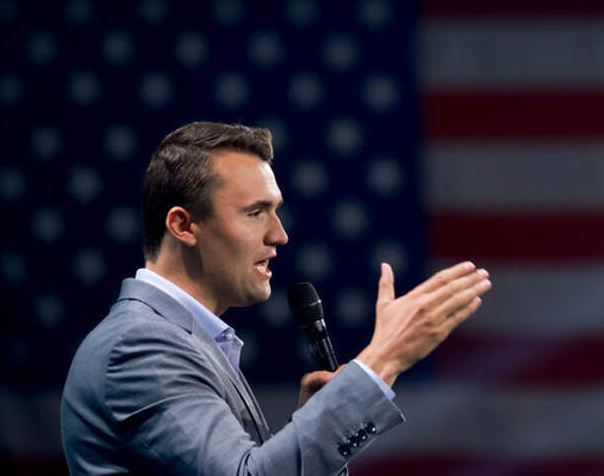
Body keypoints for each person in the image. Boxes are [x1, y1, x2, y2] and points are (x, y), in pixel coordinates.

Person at [60, 121, 491, 475]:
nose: (279, 234)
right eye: (255, 212)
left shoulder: (182, 339)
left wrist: (312, 422)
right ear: (183, 225)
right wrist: (385, 358)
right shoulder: (139, 346)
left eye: (276, 210)